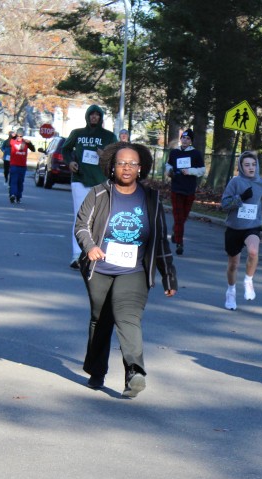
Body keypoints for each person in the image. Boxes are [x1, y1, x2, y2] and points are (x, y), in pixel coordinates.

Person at [74, 142, 177, 397]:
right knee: (101, 318)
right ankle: (97, 371)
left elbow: (161, 240)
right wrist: (90, 246)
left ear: (140, 168)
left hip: (134, 270)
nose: (127, 168)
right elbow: (81, 226)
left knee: (126, 314)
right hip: (100, 268)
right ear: (112, 167)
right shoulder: (99, 193)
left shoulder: (151, 198)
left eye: (132, 163)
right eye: (121, 163)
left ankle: (134, 372)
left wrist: (168, 275)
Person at [219, 150, 262, 310]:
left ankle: (248, 280)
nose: (251, 168)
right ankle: (231, 291)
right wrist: (241, 198)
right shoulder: (235, 183)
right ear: (241, 167)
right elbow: (224, 204)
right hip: (234, 227)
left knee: (253, 251)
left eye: (253, 164)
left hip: (252, 226)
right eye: (247, 165)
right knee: (233, 264)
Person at [61, 105, 117, 268]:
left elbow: (117, 156)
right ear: (87, 116)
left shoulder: (109, 136)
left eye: (97, 115)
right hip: (80, 179)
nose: (94, 117)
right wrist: (70, 162)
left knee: (99, 219)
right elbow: (65, 149)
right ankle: (76, 255)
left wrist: (105, 156)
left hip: (100, 181)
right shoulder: (77, 133)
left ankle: (94, 253)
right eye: (91, 114)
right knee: (79, 217)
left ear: (101, 117)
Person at [164, 128, 205, 256]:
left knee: (183, 217)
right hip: (176, 189)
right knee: (178, 217)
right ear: (180, 139)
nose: (185, 140)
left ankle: (176, 231)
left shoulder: (196, 154)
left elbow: (202, 170)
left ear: (191, 141)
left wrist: (190, 171)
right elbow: (168, 165)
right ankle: (179, 243)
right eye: (183, 138)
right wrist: (170, 171)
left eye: (188, 138)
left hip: (189, 189)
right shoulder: (174, 152)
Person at [5, 127, 35, 204]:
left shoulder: (25, 143)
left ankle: (18, 196)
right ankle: (12, 195)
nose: (19, 137)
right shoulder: (13, 141)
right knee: (13, 181)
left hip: (22, 166)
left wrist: (30, 143)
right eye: (18, 136)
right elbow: (7, 143)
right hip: (14, 165)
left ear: (23, 136)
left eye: (21, 136)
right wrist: (12, 136)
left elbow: (33, 149)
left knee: (20, 182)